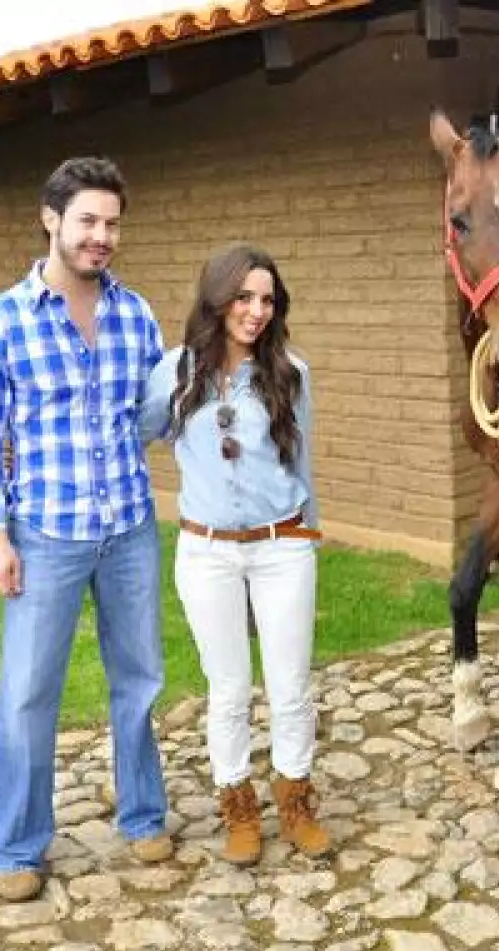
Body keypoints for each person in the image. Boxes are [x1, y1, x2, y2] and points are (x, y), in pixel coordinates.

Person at [0, 157, 172, 903]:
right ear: (51, 219)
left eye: (112, 222)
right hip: (44, 531)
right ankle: (17, 845)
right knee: (26, 691)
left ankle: (144, 813)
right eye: (87, 220)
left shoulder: (136, 313)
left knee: (140, 678)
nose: (101, 236)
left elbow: (155, 418)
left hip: (128, 527)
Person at [142, 243, 330, 867]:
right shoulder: (175, 374)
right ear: (217, 298)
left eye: (267, 300)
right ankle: (238, 808)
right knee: (228, 689)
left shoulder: (290, 373)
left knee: (291, 685)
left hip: (281, 548)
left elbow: (302, 465)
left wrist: (310, 532)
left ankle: (295, 799)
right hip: (208, 551)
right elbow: (137, 433)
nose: (255, 311)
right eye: (244, 297)